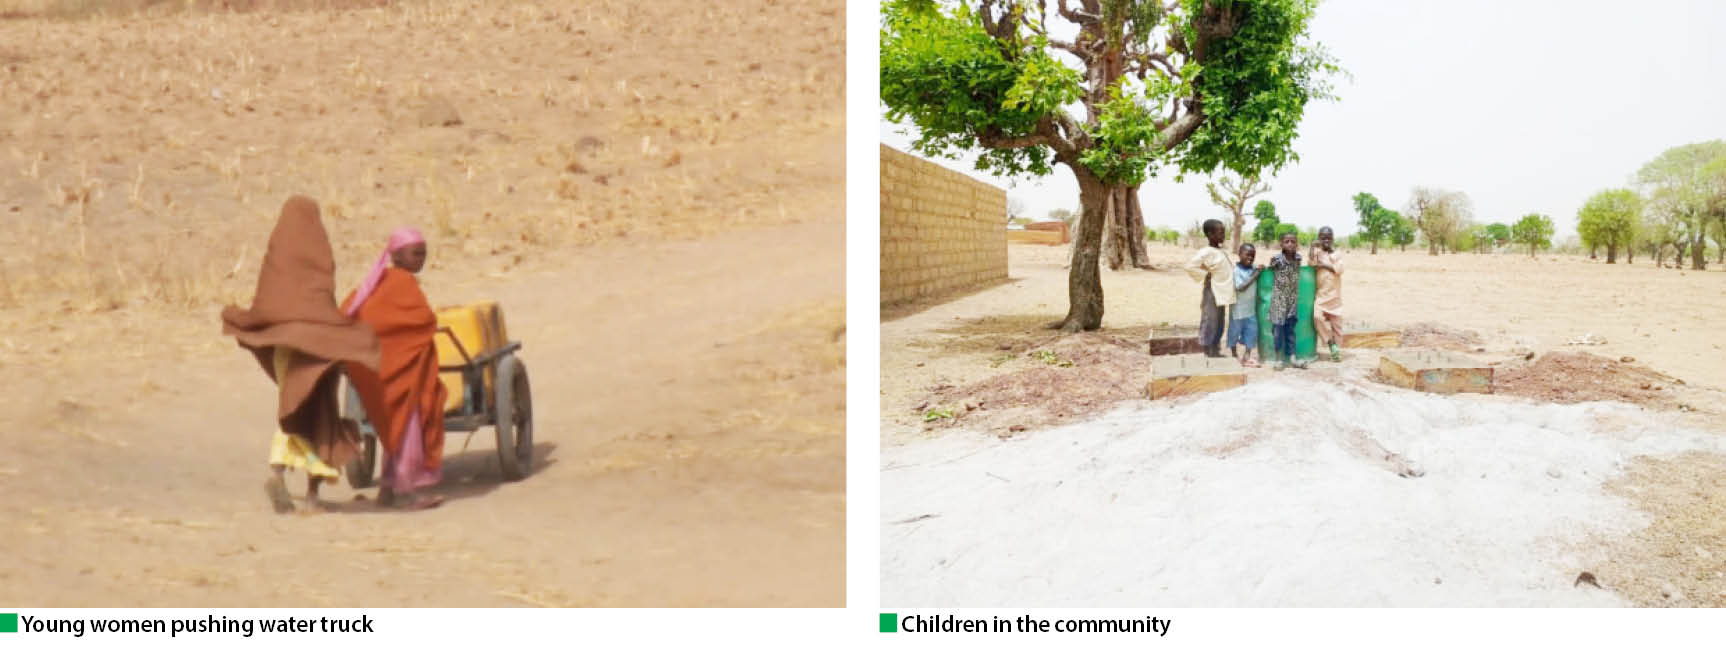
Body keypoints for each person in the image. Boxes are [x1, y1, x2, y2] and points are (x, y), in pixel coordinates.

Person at [220, 196, 381, 514]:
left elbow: (269, 304)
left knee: (291, 407)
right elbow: (320, 301)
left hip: (283, 347)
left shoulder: (276, 257)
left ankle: (279, 475)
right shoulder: (318, 252)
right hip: (315, 346)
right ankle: (310, 496)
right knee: (321, 414)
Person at [342, 227, 449, 510]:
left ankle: (387, 491)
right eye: (416, 253)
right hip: (400, 374)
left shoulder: (376, 281)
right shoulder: (402, 283)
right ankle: (409, 492)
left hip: (381, 374)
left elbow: (351, 311)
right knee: (408, 429)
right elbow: (422, 320)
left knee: (394, 431)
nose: (422, 259)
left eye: (424, 253)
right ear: (398, 255)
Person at [1183, 219, 1235, 358]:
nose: (1223, 235)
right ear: (1210, 234)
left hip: (1222, 293)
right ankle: (1207, 349)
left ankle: (1215, 348)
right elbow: (1190, 266)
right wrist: (1206, 274)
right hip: (1212, 292)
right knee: (1210, 320)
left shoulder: (1220, 251)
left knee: (1219, 321)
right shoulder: (1206, 251)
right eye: (1220, 232)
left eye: (1224, 232)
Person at [1267, 231, 1305, 371]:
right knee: (1277, 330)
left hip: (1292, 301)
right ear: (1281, 244)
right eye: (1286, 241)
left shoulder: (1298, 259)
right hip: (1279, 301)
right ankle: (1278, 359)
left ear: (1297, 244)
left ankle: (1293, 358)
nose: (1290, 244)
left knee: (1290, 330)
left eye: (1293, 241)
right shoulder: (1277, 260)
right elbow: (1269, 270)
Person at [1309, 226, 1345, 362]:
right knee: (1317, 317)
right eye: (1323, 238)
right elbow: (1312, 263)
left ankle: (1336, 351)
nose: (1326, 240)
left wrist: (1324, 265)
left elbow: (1339, 269)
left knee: (1337, 328)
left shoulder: (1337, 254)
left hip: (1335, 297)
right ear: (1319, 238)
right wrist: (1312, 247)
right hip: (1321, 296)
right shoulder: (1317, 253)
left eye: (1328, 238)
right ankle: (1330, 344)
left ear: (1332, 239)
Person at [1229, 243, 1264, 367]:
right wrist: (1255, 275)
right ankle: (1234, 354)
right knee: (1234, 331)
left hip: (1250, 309)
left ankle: (1247, 355)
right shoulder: (1236, 271)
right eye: (1247, 255)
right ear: (1239, 255)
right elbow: (1240, 287)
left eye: (1253, 255)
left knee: (1252, 331)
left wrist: (1261, 270)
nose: (1250, 257)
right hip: (1238, 309)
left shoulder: (1253, 268)